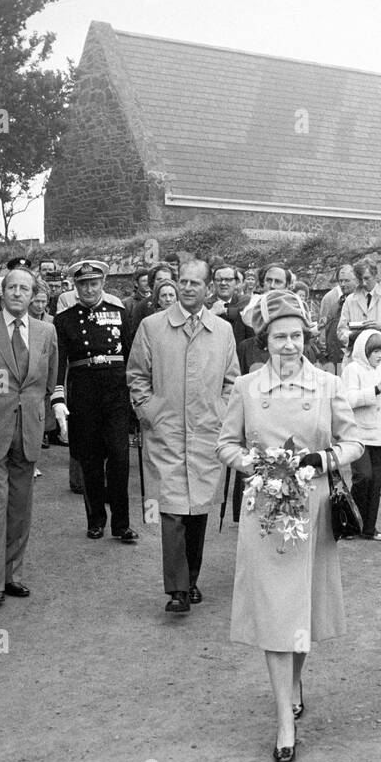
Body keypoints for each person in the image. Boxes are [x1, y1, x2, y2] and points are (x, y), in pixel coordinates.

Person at [216, 290, 362, 762]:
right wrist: (254, 465)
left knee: (302, 612)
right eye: (279, 337)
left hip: (313, 510)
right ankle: (283, 720)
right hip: (264, 515)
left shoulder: (327, 384)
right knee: (276, 615)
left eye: (296, 336)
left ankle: (296, 682)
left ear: (307, 337)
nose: (288, 345)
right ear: (264, 340)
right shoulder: (245, 387)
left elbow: (355, 441)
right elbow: (225, 445)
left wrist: (325, 458)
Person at [127, 259, 240, 614]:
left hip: (207, 432)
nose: (188, 288)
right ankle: (176, 589)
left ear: (208, 289)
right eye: (183, 282)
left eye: (195, 283)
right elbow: (137, 376)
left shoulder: (222, 331)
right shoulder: (152, 326)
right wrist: (150, 412)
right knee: (173, 510)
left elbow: (232, 380)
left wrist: (222, 414)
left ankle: (191, 579)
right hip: (167, 431)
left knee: (198, 510)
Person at [0, 268, 64, 608]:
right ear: (0, 292)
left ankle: (12, 575)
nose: (18, 293)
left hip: (29, 430)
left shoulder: (46, 331)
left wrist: (35, 412)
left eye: (25, 288)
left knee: (21, 507)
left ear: (34, 294)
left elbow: (48, 383)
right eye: (12, 288)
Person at [54, 260, 139, 543]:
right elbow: (60, 363)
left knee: (118, 458)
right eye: (83, 284)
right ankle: (95, 520)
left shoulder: (119, 313)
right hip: (84, 393)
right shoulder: (64, 320)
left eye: (94, 283)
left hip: (115, 392)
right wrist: (59, 395)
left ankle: (121, 524)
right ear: (75, 288)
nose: (89, 289)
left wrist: (136, 396)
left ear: (103, 284)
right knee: (90, 460)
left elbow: (132, 357)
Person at [343, 329, 381, 540]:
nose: (379, 355)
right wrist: (376, 390)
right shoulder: (352, 369)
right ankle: (350, 523)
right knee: (363, 476)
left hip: (377, 432)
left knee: (375, 483)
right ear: (364, 351)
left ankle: (368, 528)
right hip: (358, 433)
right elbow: (348, 399)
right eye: (375, 351)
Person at [336, 258, 381, 360]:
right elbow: (341, 330)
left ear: (375, 276)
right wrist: (351, 336)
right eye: (360, 279)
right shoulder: (350, 299)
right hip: (355, 357)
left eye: (367, 278)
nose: (363, 283)